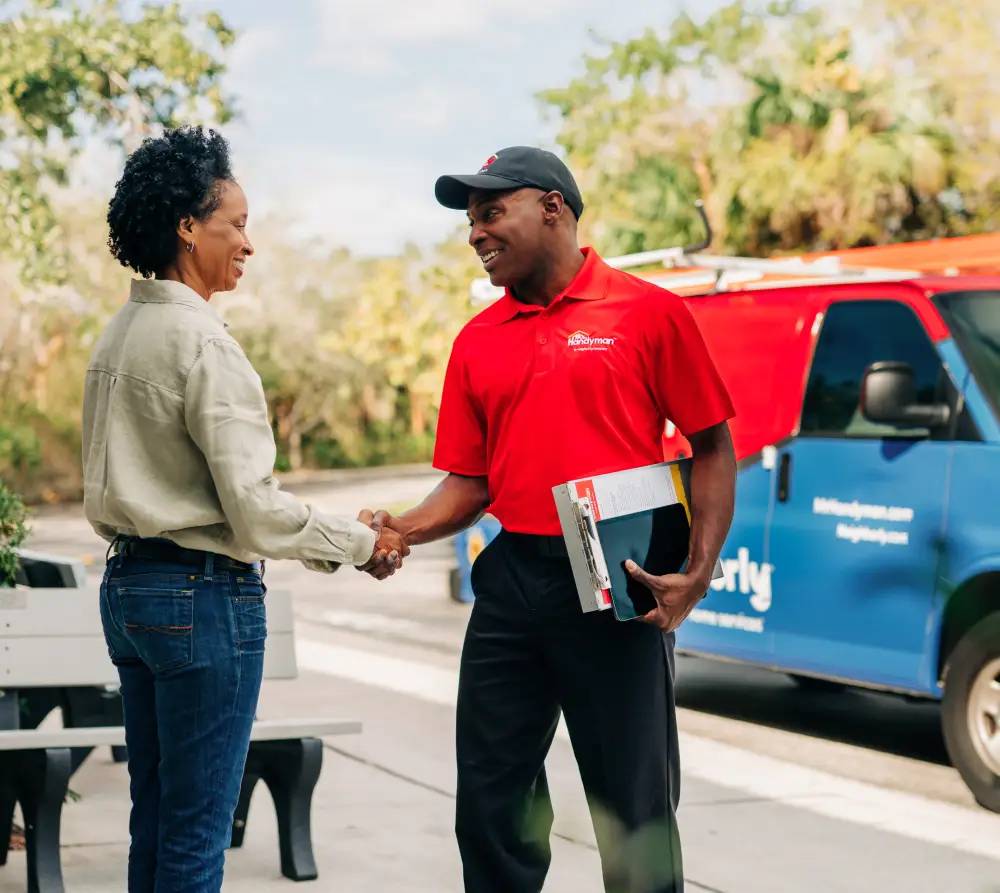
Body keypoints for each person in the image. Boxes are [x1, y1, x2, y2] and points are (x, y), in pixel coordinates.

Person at [359, 146, 736, 893]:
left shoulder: (648, 312)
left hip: (615, 583)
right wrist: (401, 528)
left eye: (492, 213)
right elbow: (471, 482)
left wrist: (697, 571)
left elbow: (713, 446)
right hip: (512, 584)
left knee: (633, 812)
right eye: (471, 221)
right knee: (491, 807)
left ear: (553, 207)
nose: (476, 233)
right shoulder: (477, 340)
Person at [84, 125, 406, 892]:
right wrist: (362, 542)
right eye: (237, 223)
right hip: (201, 600)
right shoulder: (203, 345)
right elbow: (254, 511)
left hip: (130, 593)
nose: (249, 244)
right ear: (187, 228)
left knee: (155, 818)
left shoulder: (116, 337)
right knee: (197, 836)